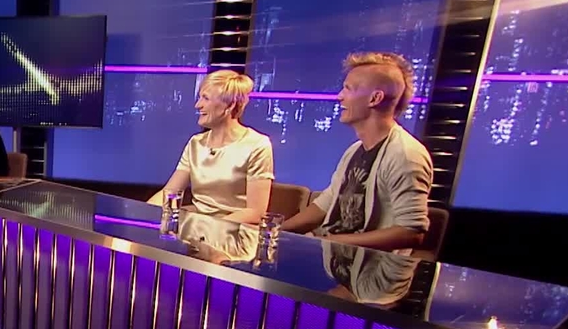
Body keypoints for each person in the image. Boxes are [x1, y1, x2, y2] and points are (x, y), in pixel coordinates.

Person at [281, 52, 433, 253]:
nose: (339, 96)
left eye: (348, 89)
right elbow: (327, 202)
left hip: (370, 269)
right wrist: (276, 232)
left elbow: (412, 232)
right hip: (335, 259)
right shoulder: (354, 151)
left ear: (375, 98)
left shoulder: (406, 155)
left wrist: (333, 242)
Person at [147, 70, 274, 224]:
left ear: (230, 105)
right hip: (197, 229)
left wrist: (210, 229)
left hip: (235, 232)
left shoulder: (257, 145)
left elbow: (255, 212)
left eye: (205, 98)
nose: (198, 105)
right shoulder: (196, 143)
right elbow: (170, 193)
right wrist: (141, 214)